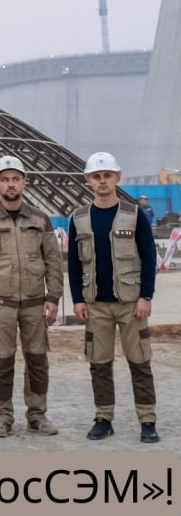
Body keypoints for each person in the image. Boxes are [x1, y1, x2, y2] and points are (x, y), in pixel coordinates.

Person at [69, 152, 160, 443]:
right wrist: (78, 300)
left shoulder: (134, 214)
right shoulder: (79, 218)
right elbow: (73, 261)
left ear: (117, 178)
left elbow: (149, 255)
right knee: (99, 363)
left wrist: (146, 296)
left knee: (140, 362)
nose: (102, 181)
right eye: (96, 176)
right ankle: (103, 417)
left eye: (107, 175)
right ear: (88, 181)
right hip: (96, 304)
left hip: (131, 304)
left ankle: (147, 420)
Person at [0, 157, 62, 438]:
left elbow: (54, 260)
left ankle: (37, 415)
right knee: (1, 361)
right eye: (5, 179)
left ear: (24, 181)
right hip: (1, 304)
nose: (11, 184)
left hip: (35, 304)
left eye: (15, 179)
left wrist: (54, 296)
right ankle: (1, 416)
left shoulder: (40, 219)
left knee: (37, 359)